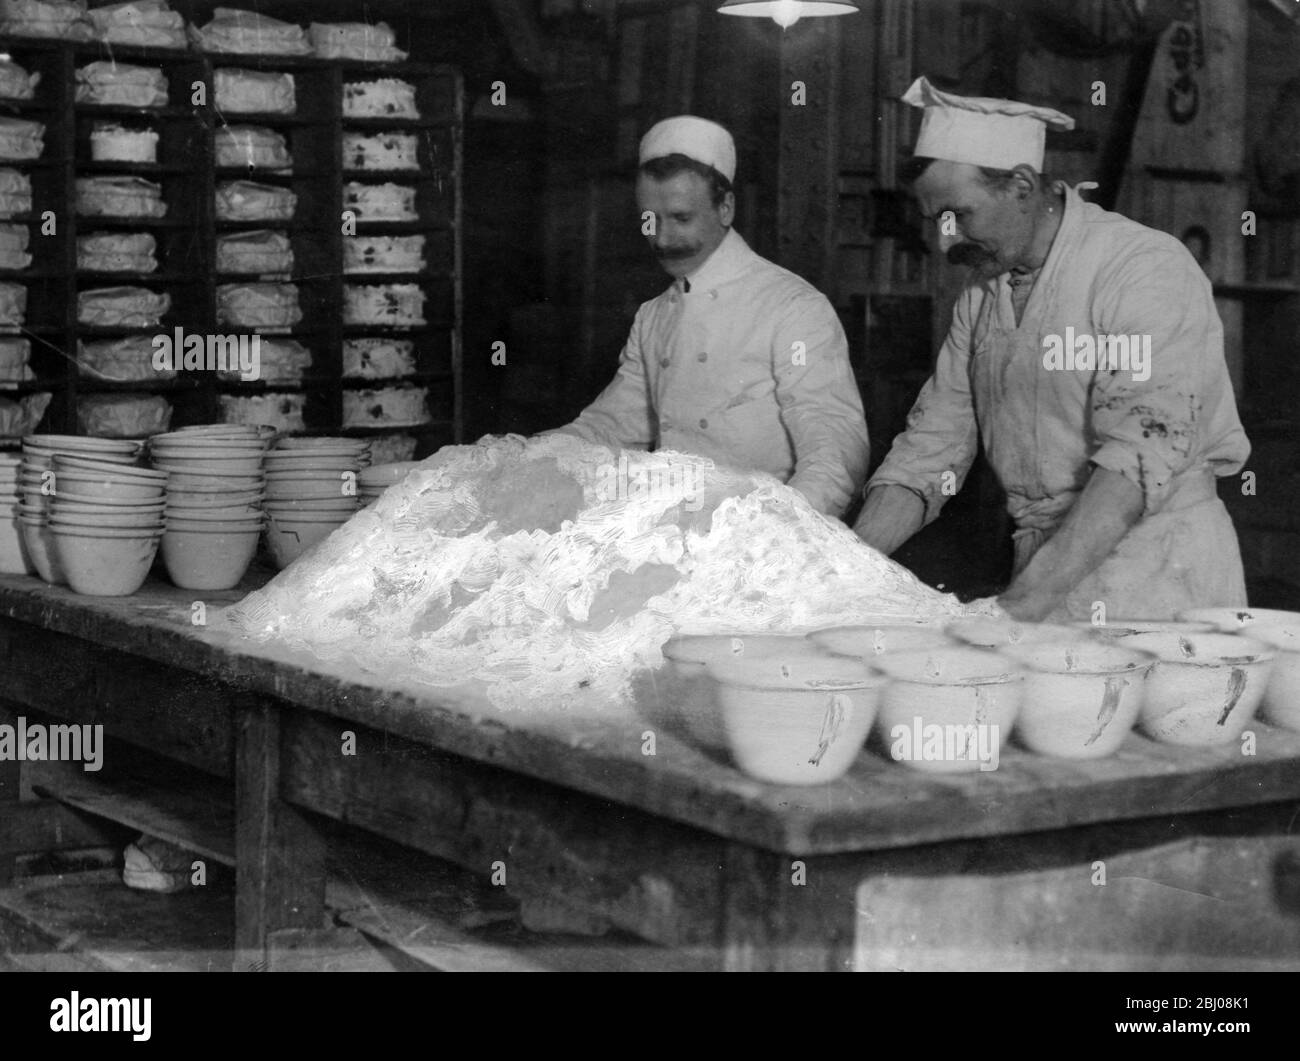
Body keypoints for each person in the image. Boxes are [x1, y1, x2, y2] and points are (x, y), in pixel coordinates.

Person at [854, 77, 1251, 622]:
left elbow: (1138, 454)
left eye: (959, 215)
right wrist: (845, 569)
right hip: (1042, 567)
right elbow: (934, 446)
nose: (945, 242)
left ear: (1020, 184)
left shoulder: (1141, 268)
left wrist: (1019, 608)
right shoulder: (983, 294)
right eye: (936, 222)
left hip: (1158, 573)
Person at [549, 116, 870, 519]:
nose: (662, 240)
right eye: (651, 220)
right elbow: (613, 425)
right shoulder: (653, 317)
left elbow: (835, 447)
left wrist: (785, 528)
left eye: (682, 218)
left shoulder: (792, 307)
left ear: (726, 208)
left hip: (765, 535)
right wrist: (530, 457)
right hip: (670, 529)